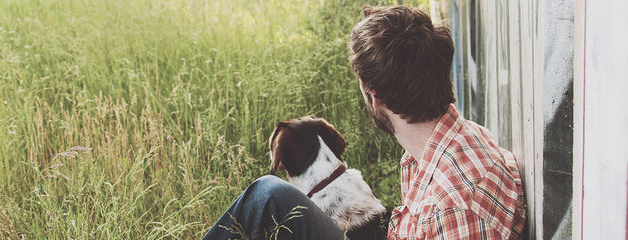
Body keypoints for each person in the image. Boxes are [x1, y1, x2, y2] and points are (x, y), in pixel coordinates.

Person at [203, 5, 526, 240]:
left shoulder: (452, 209)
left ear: (375, 98)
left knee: (266, 194)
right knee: (268, 193)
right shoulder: (457, 138)